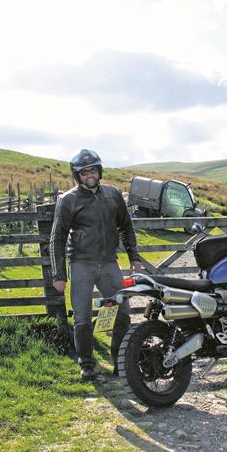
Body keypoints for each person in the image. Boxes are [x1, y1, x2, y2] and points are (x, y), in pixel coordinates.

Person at [50, 149, 143, 381]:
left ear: (99, 171)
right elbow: (57, 238)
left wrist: (134, 257)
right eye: (84, 172)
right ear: (77, 175)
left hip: (109, 264)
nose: (89, 175)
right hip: (81, 265)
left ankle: (120, 362)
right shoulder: (68, 200)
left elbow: (126, 227)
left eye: (92, 170)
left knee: (122, 312)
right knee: (82, 317)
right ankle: (87, 365)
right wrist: (58, 274)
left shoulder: (112, 195)